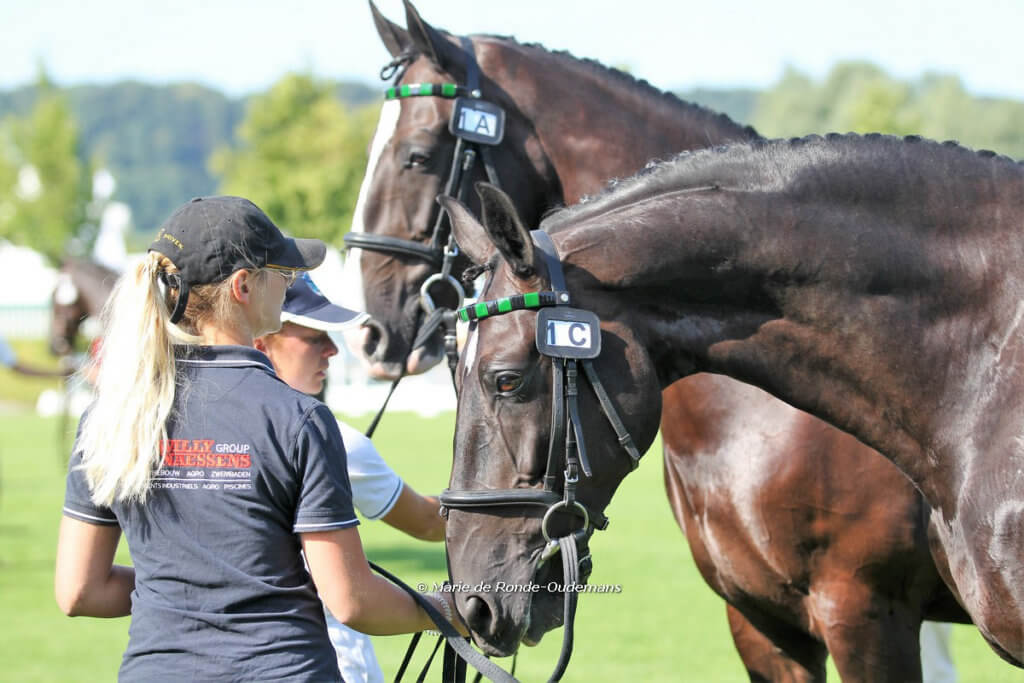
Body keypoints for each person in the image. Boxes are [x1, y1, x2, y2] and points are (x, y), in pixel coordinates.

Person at [54, 196, 462, 682]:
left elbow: (79, 590)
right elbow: (352, 601)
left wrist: (189, 590)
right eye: (283, 273)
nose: (290, 284)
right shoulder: (300, 419)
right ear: (243, 286)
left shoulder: (109, 417)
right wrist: (448, 611)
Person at [254, 274, 445, 683]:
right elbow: (430, 523)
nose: (332, 350)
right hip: (329, 664)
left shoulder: (185, 429)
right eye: (314, 338)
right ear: (261, 344)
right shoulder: (336, 442)